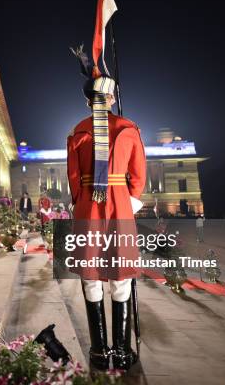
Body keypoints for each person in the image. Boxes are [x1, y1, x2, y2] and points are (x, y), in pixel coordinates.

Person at [67, 51, 146, 371]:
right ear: (111, 98)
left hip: (88, 204)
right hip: (119, 205)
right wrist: (131, 202)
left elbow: (73, 177)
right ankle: (123, 352)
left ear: (89, 101)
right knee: (121, 279)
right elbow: (139, 174)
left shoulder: (78, 131)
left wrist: (79, 202)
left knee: (91, 278)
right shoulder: (128, 128)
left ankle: (100, 352)